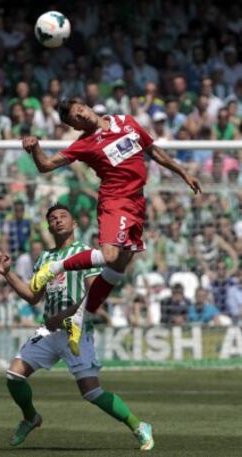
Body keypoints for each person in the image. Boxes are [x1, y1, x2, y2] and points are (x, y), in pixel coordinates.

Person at [23, 99, 201, 355]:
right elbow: (46, 166)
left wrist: (182, 172)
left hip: (137, 202)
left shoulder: (126, 121)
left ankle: (79, 317)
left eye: (80, 110)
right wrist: (35, 148)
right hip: (115, 201)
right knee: (109, 256)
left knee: (120, 264)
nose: (81, 116)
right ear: (74, 125)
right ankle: (55, 267)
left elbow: (153, 150)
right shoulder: (84, 144)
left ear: (86, 105)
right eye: (75, 118)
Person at [0, 203, 154, 450]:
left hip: (75, 330)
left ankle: (139, 426)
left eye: (63, 216)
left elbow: (94, 294)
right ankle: (30, 417)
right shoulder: (45, 258)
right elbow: (33, 296)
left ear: (74, 223)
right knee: (14, 375)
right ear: (48, 226)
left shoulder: (86, 252)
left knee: (91, 392)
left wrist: (66, 315)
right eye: (53, 218)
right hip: (48, 330)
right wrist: (7, 274)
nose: (57, 220)